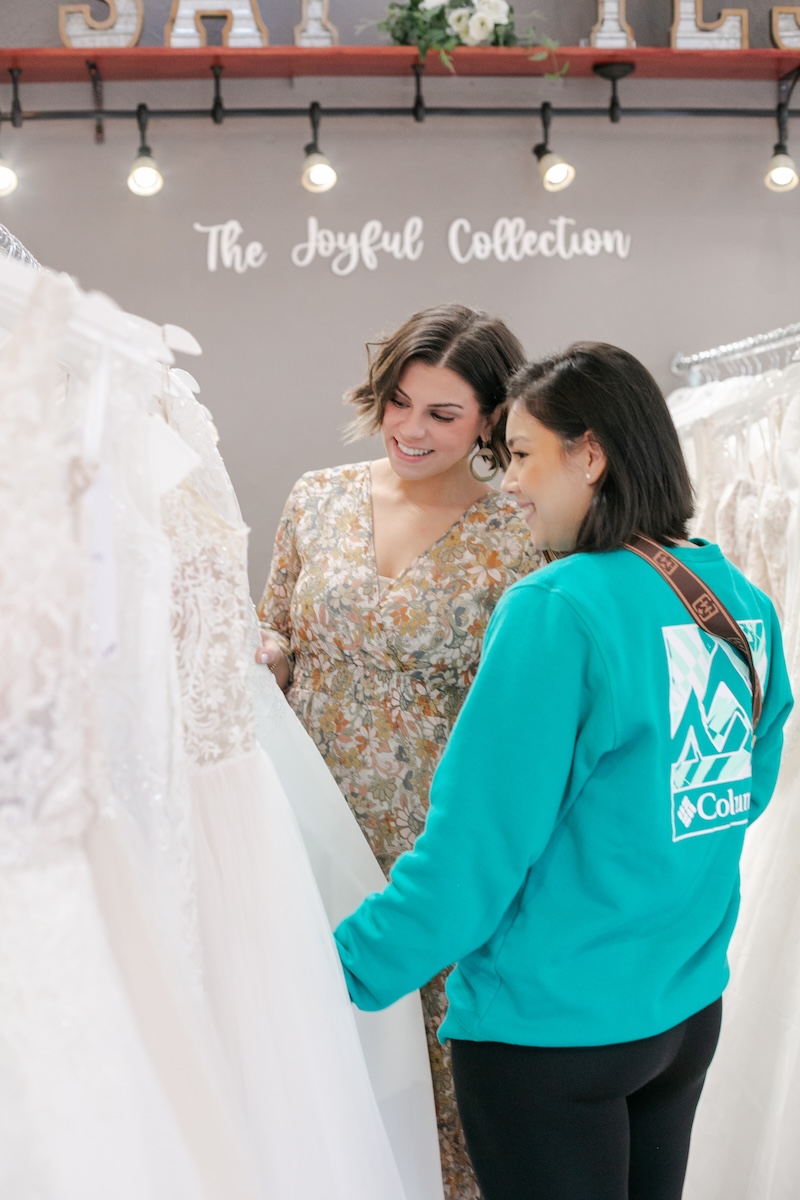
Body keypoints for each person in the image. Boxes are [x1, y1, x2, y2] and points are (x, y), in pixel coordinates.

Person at [333, 341, 794, 1200]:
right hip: (683, 1013)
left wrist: (339, 972)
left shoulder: (558, 611)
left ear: (590, 453)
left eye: (521, 456)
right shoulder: (740, 597)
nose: (509, 485)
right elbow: (746, 788)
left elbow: (473, 857)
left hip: (553, 1032)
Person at [256, 304, 538, 1199]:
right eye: (399, 403)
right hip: (309, 825)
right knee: (325, 1065)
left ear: (492, 419)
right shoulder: (317, 497)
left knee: (447, 1087)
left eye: (442, 414)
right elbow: (277, 632)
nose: (411, 430)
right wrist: (262, 654)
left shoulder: (520, 535)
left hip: (440, 851)